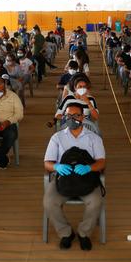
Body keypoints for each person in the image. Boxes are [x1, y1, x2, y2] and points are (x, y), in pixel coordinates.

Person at [43, 103, 106, 251]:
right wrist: (57, 167)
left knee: (96, 201)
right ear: (64, 117)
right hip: (63, 179)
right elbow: (47, 163)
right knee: (49, 202)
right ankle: (66, 233)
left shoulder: (94, 138)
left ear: (83, 117)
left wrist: (89, 168)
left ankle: (84, 233)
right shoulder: (56, 138)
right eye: (68, 116)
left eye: (76, 115)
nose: (72, 118)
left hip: (87, 178)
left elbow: (102, 162)